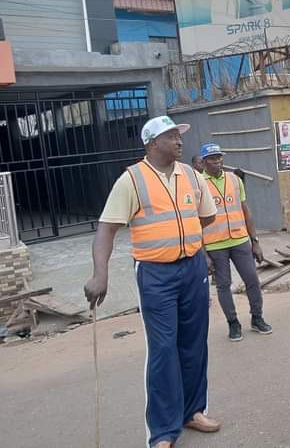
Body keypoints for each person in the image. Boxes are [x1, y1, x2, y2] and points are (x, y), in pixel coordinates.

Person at [83, 116, 221, 448]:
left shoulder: (191, 174)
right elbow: (106, 229)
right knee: (163, 350)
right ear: (152, 143)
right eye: (171, 136)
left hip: (192, 269)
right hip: (155, 274)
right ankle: (162, 431)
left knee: (194, 343)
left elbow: (208, 214)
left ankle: (193, 411)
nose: (179, 140)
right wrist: (100, 274)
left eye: (178, 135)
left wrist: (187, 238)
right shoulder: (131, 180)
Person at [200, 143, 272, 341]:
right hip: (215, 244)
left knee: (252, 280)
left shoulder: (234, 179)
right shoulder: (198, 184)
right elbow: (194, 220)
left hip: (240, 240)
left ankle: (257, 318)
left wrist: (255, 241)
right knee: (223, 285)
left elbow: (245, 211)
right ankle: (233, 323)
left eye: (220, 157)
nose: (218, 161)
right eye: (213, 158)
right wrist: (203, 253)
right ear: (204, 162)